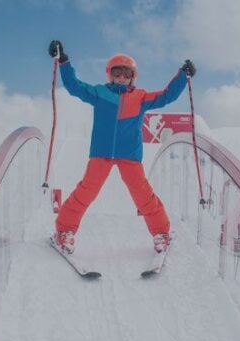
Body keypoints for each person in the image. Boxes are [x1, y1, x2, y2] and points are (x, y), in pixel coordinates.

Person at [47, 40, 197, 255]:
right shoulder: (99, 93)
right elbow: (74, 86)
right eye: (117, 73)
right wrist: (63, 61)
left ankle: (161, 233)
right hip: (101, 153)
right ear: (110, 74)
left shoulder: (141, 97)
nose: (122, 77)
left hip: (130, 155)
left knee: (143, 195)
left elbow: (166, 96)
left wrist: (183, 75)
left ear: (133, 77)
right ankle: (64, 231)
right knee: (86, 192)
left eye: (127, 74)